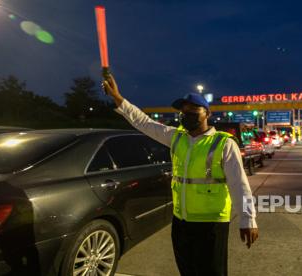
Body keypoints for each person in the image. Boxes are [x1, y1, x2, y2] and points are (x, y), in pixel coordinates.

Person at [103, 75, 258, 276]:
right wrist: (118, 97)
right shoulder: (176, 137)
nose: (187, 115)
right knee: (187, 270)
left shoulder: (224, 144)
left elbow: (240, 185)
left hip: (211, 224)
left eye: (193, 111)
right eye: (184, 112)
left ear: (207, 114)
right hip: (181, 221)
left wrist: (248, 220)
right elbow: (143, 122)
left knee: (212, 272)